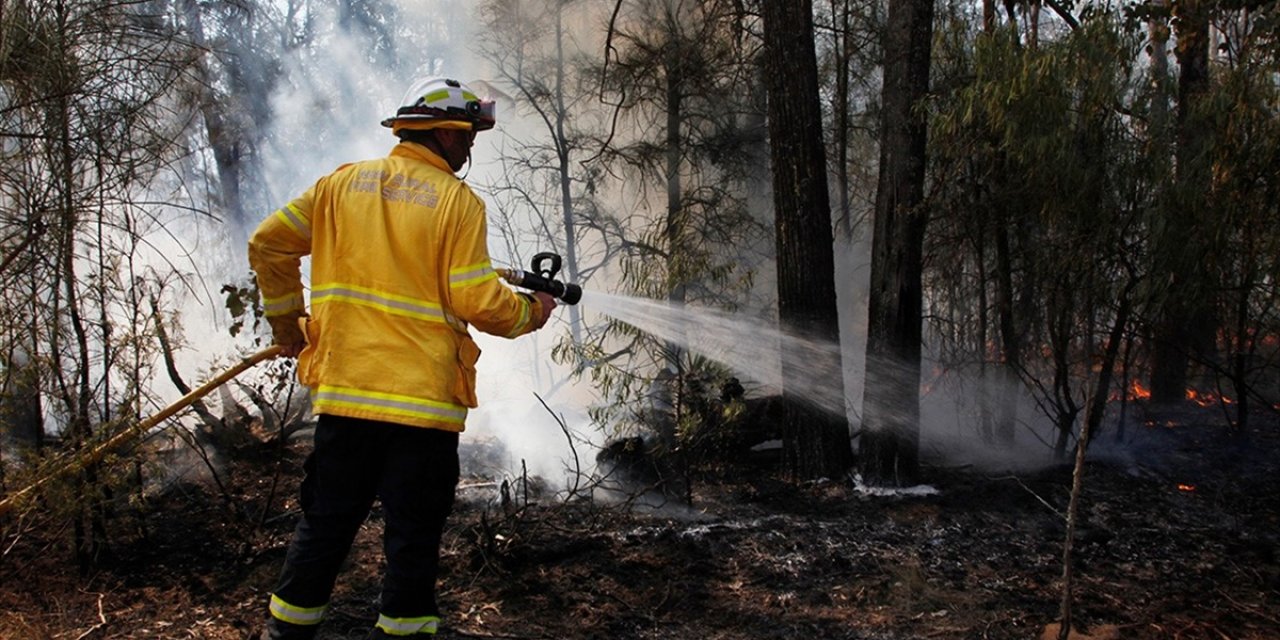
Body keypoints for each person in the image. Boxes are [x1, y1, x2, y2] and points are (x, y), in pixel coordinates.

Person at [248, 77, 557, 639]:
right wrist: (531, 312)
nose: (469, 150)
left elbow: (268, 241)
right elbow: (477, 300)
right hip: (421, 412)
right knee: (413, 539)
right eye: (467, 138)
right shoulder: (457, 203)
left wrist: (286, 321)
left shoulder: (339, 186)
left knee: (325, 526)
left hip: (346, 400)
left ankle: (285, 633)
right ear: (443, 132)